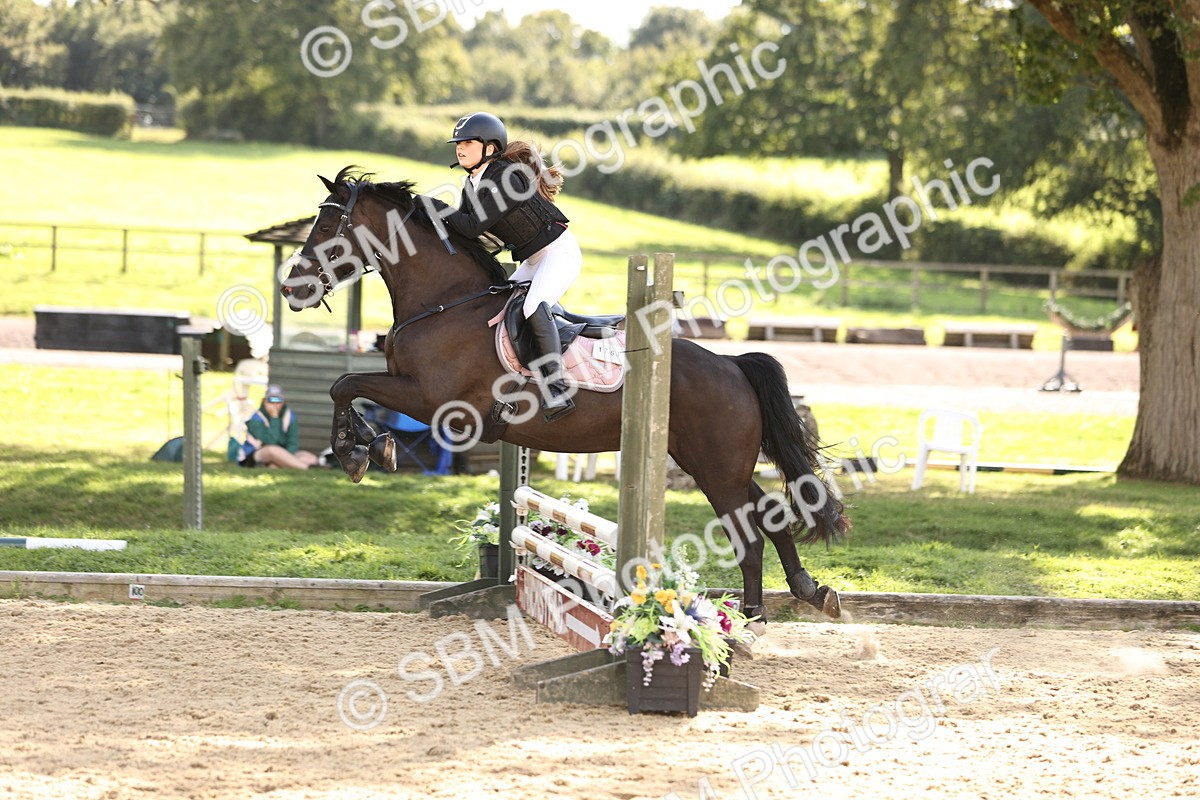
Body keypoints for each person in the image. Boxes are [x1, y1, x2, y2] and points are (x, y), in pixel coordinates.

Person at [441, 111, 578, 422]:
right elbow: (468, 234)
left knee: (532, 307)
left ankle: (556, 388)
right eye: (457, 143)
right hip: (533, 260)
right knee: (496, 310)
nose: (459, 148)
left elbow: (473, 225)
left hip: (559, 253)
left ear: (490, 148)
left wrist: (436, 208)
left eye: (467, 143)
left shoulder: (505, 177)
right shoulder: (472, 182)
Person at [239, 385, 319, 469]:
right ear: (264, 401)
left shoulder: (289, 415)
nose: (275, 404)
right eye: (271, 400)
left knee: (310, 458)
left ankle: (276, 465)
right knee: (272, 450)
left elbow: (293, 441)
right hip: (255, 455)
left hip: (282, 452)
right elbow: (270, 441)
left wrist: (286, 457)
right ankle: (306, 468)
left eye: (278, 400)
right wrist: (274, 417)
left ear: (283, 402)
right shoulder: (256, 418)